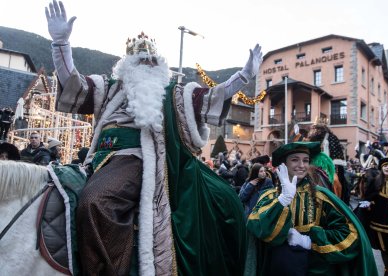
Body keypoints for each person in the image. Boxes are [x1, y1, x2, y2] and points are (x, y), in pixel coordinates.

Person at [45, 1, 262, 275]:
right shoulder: (109, 88)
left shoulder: (173, 93)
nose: (147, 63)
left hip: (139, 161)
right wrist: (61, 44)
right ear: (128, 65)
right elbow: (74, 86)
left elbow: (212, 97)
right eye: (141, 60)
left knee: (94, 201)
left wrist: (243, 76)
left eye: (152, 60)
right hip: (97, 160)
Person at [246, 141, 377, 275]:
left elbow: (350, 234)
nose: (301, 165)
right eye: (295, 160)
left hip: (316, 270)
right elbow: (256, 226)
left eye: (306, 160)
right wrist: (283, 200)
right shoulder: (270, 196)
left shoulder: (321, 196)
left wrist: (309, 241)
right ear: (284, 164)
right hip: (278, 269)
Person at [358, 157, 388, 276]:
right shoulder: (376, 181)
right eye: (385, 166)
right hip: (378, 224)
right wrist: (369, 204)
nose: (387, 168)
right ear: (381, 169)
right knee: (384, 250)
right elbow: (368, 197)